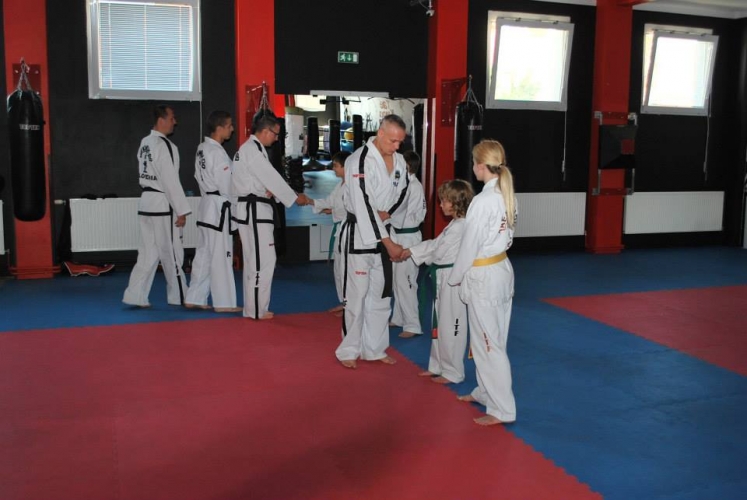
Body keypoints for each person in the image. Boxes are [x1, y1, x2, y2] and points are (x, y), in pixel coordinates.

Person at [448, 139, 518, 426]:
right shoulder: (507, 194)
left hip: (484, 277)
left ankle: (502, 409)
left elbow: (469, 246)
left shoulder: (483, 201)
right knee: (489, 339)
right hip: (500, 269)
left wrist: (454, 278)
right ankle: (485, 392)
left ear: (479, 165)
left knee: (490, 345)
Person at [336, 114, 408, 369]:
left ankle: (374, 349)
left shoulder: (399, 161)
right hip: (359, 234)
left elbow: (404, 191)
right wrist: (388, 242)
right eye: (392, 141)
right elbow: (363, 204)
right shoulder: (359, 160)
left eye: (400, 142)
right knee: (356, 297)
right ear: (380, 133)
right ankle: (348, 350)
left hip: (384, 230)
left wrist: (388, 213)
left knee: (380, 296)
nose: (396, 146)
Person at [231, 114, 310, 320]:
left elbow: (258, 181)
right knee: (262, 261)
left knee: (254, 260)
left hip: (250, 209)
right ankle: (256, 309)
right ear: (265, 131)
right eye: (275, 134)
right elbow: (272, 178)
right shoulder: (253, 151)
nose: (276, 139)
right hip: (255, 211)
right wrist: (294, 196)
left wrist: (267, 190)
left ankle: (253, 308)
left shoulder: (247, 150)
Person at [400, 179, 474, 384]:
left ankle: (453, 372)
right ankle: (438, 365)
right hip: (443, 276)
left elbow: (438, 252)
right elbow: (435, 244)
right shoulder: (454, 224)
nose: (441, 205)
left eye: (444, 201)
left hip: (454, 279)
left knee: (451, 325)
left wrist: (412, 252)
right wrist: (411, 251)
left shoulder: (462, 226)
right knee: (439, 322)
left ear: (456, 202)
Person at [123, 105, 191, 308]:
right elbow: (170, 180)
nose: (175, 122)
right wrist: (181, 210)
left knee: (147, 253)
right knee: (172, 252)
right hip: (162, 203)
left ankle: (135, 295)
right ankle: (179, 295)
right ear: (161, 120)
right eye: (172, 118)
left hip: (147, 202)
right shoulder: (165, 145)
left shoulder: (145, 142)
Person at [184, 110, 241, 313]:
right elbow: (227, 185)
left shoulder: (202, 148)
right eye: (229, 125)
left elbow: (197, 176)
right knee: (222, 256)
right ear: (219, 128)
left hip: (207, 206)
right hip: (218, 209)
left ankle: (194, 297)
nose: (232, 129)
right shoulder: (217, 152)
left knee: (204, 255)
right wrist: (236, 207)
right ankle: (224, 302)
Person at [388, 150, 426, 338]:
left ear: (407, 167)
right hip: (397, 235)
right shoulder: (403, 184)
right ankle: (399, 317)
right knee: (397, 280)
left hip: (408, 238)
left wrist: (384, 213)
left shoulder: (414, 187)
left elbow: (399, 211)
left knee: (407, 282)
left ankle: (413, 325)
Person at [308, 151, 350, 315]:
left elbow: (347, 209)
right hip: (340, 229)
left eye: (336, 166)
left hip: (349, 231)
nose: (333, 169)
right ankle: (344, 302)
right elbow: (331, 202)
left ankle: (350, 305)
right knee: (339, 269)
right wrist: (313, 202)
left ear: (346, 167)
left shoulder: (353, 186)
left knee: (346, 269)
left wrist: (328, 209)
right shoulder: (340, 185)